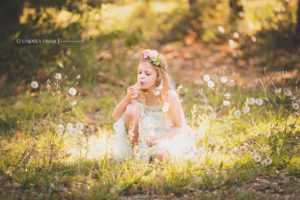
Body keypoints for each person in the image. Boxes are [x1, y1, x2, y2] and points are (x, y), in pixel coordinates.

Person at [111, 49, 198, 162]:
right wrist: (127, 98)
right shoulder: (137, 92)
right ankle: (138, 153)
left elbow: (180, 127)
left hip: (163, 136)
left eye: (147, 74)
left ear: (158, 76)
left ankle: (153, 157)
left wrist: (160, 139)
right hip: (140, 137)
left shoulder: (169, 96)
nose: (142, 76)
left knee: (160, 156)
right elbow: (116, 116)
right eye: (139, 72)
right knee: (131, 109)